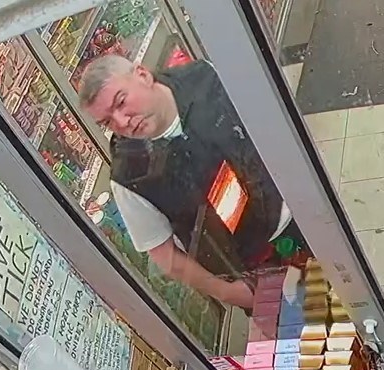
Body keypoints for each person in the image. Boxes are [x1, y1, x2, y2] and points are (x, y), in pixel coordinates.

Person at [79, 55, 307, 310]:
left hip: (301, 217)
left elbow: (267, 121)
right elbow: (165, 255)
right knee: (312, 338)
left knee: (352, 298)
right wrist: (229, 293)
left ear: (142, 75)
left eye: (121, 102)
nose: (122, 122)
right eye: (108, 122)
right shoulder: (128, 177)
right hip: (254, 273)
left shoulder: (206, 78)